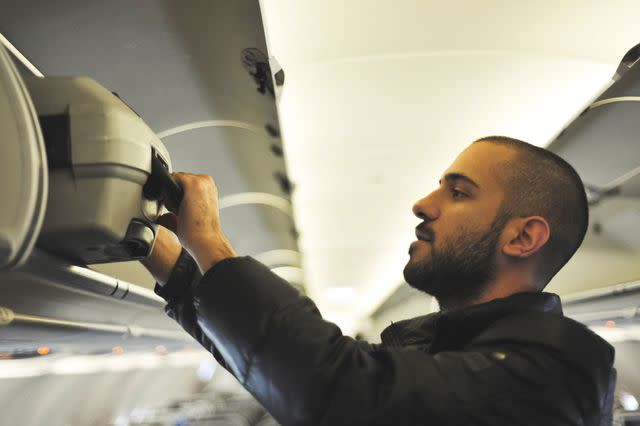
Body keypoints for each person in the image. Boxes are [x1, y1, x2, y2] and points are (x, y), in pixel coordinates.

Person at [142, 136, 616, 426]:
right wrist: (172, 267)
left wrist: (211, 245)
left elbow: (337, 390)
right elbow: (280, 371)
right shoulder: (437, 347)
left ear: (523, 236)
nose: (423, 203)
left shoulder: (559, 372)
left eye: (458, 192)